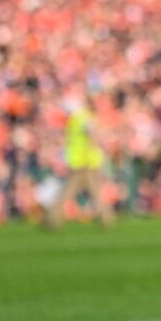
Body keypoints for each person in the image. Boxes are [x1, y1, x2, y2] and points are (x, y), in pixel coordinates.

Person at [44, 94, 115, 229]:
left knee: (70, 191)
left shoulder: (78, 119)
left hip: (83, 162)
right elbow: (93, 136)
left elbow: (90, 136)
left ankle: (53, 218)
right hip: (87, 161)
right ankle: (106, 219)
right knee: (92, 192)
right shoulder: (83, 118)